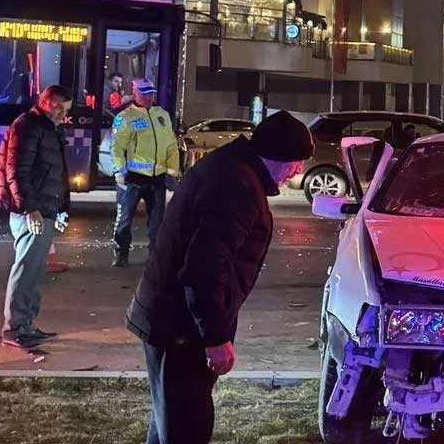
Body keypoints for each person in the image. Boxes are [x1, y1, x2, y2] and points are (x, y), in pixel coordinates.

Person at [125, 110, 312, 443]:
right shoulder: (237, 187)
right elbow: (204, 269)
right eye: (296, 162)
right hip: (181, 329)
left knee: (170, 422)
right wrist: (215, 337)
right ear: (278, 156)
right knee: (186, 428)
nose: (298, 170)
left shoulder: (230, 168)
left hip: (170, 320)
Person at [0, 85, 74, 348]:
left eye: (66, 110)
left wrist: (60, 207)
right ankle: (15, 328)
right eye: (58, 107)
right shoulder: (28, 125)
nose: (62, 114)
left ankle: (25, 324)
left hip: (43, 209)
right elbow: (16, 171)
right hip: (32, 211)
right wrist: (29, 208)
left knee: (35, 271)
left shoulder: (46, 128)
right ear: (44, 101)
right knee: (27, 269)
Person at [111, 78, 180, 267]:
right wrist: (120, 170)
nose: (149, 96)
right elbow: (116, 147)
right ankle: (121, 253)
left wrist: (173, 171)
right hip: (132, 178)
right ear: (135, 94)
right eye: (144, 93)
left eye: (151, 93)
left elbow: (171, 146)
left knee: (157, 223)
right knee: (124, 220)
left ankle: (155, 258)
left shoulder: (162, 115)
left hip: (157, 179)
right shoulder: (125, 117)